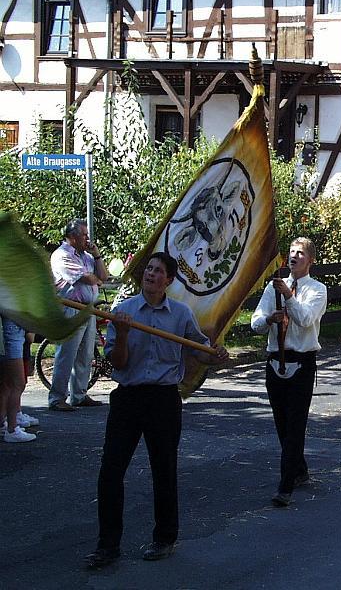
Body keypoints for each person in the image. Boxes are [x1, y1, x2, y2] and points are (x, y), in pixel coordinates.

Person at [85, 252, 229, 568]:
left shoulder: (180, 314)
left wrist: (215, 355)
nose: (150, 274)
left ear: (169, 280)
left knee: (164, 469)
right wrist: (123, 333)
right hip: (128, 398)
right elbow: (117, 363)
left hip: (164, 400)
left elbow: (199, 351)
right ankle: (107, 546)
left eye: (158, 270)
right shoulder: (123, 312)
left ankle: (165, 538)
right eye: (148, 269)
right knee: (111, 470)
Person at [251, 238, 327, 507]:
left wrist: (288, 296)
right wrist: (268, 319)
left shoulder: (318, 289)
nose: (294, 256)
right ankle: (299, 467)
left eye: (301, 253)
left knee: (295, 424)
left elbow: (305, 319)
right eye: (292, 252)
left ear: (310, 260)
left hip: (301, 362)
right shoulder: (273, 287)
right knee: (282, 423)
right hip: (275, 361)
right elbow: (255, 323)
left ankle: (285, 486)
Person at [49, 219, 109, 411]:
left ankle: (79, 395)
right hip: (71, 308)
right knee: (67, 354)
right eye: (84, 235)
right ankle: (57, 398)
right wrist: (95, 278)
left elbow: (103, 276)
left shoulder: (87, 256)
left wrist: (97, 255)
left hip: (88, 309)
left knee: (85, 354)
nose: (87, 239)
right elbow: (88, 278)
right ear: (72, 237)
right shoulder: (61, 255)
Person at [1, 317, 36, 442]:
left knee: (6, 384)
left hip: (8, 337)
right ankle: (12, 429)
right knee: (17, 384)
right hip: (12, 337)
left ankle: (3, 424)